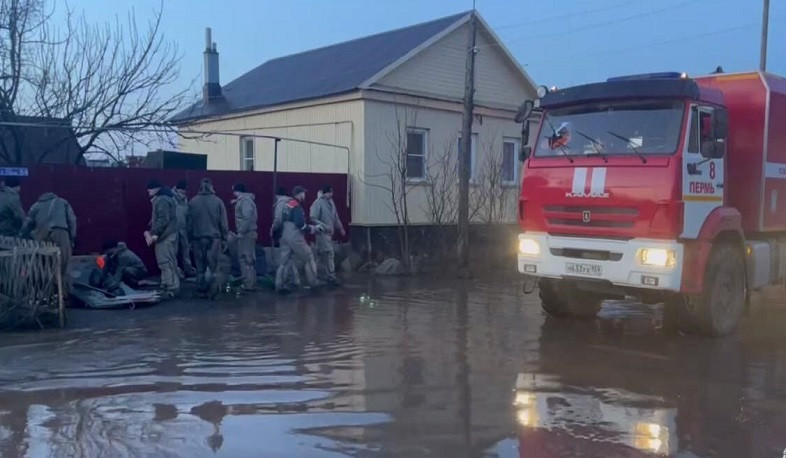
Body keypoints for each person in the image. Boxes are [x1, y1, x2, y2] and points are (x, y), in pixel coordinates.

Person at [21, 191, 77, 298]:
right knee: (63, 264)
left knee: (43, 264)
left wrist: (24, 236)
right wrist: (72, 237)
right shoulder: (62, 202)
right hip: (61, 232)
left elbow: (27, 224)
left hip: (41, 234)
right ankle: (64, 294)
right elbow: (72, 220)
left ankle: (45, 292)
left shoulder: (36, 205)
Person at [188, 178, 229, 298]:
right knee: (213, 268)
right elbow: (223, 223)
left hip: (197, 239)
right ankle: (214, 292)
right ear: (212, 187)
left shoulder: (192, 202)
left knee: (200, 268)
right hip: (214, 240)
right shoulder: (218, 202)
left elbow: (189, 223)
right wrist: (225, 239)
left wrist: (189, 239)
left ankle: (200, 291)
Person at [276, 186, 318, 292]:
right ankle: (313, 284)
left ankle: (279, 285)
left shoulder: (287, 205)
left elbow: (281, 220)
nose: (304, 195)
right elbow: (300, 224)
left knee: (283, 262)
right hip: (295, 236)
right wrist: (312, 229)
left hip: (284, 235)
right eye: (303, 193)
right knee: (308, 257)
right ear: (299, 194)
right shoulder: (296, 206)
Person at [145, 179, 179, 299]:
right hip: (167, 235)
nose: (148, 190)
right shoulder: (165, 198)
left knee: (166, 262)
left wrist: (154, 233)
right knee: (165, 262)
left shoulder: (162, 200)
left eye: (149, 188)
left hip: (165, 236)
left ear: (156, 188)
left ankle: (172, 288)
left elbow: (163, 219)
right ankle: (167, 285)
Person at [309, 184, 345, 284]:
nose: (331, 194)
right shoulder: (318, 203)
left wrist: (340, 227)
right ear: (325, 192)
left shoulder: (331, 202)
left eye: (332, 192)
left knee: (321, 254)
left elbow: (335, 216)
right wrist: (325, 226)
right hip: (322, 233)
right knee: (329, 253)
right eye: (330, 192)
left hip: (329, 233)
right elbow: (313, 218)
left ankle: (313, 275)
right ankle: (331, 276)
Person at [271, 187, 299, 292]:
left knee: (284, 260)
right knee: (291, 258)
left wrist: (273, 229)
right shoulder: (292, 202)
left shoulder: (280, 204)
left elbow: (278, 220)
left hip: (284, 234)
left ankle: (280, 284)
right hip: (294, 234)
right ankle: (295, 280)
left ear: (276, 195)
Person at [232, 183, 258, 291]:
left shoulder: (245, 202)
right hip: (247, 233)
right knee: (247, 259)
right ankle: (249, 283)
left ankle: (248, 284)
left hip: (246, 234)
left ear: (237, 191)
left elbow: (247, 218)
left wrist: (241, 231)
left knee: (245, 259)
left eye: (234, 191)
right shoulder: (245, 200)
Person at [173, 180, 196, 279]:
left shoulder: (185, 200)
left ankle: (188, 270)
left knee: (186, 251)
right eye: (183, 190)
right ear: (178, 189)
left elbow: (187, 215)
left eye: (185, 190)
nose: (184, 192)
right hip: (173, 229)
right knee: (173, 252)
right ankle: (175, 271)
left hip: (183, 229)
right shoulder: (171, 198)